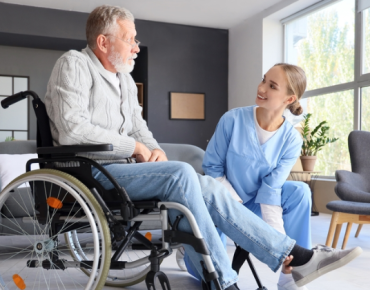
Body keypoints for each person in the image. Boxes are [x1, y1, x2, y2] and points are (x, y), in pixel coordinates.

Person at [44, 5, 362, 290]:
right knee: (186, 174)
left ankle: (296, 256)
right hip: (90, 171)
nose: (136, 47)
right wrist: (137, 146)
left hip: (124, 171)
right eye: (130, 39)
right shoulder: (75, 64)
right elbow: (73, 129)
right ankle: (225, 280)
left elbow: (140, 129)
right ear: (103, 42)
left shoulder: (124, 79)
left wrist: (154, 151)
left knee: (205, 185)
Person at [187, 63, 311, 290]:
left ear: (289, 99)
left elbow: (272, 189)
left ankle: (292, 273)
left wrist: (280, 243)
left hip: (258, 204)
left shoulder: (291, 139)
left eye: (272, 86)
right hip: (222, 200)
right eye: (264, 80)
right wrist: (235, 209)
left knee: (300, 191)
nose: (261, 88)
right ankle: (191, 258)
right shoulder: (232, 120)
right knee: (202, 272)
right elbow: (213, 168)